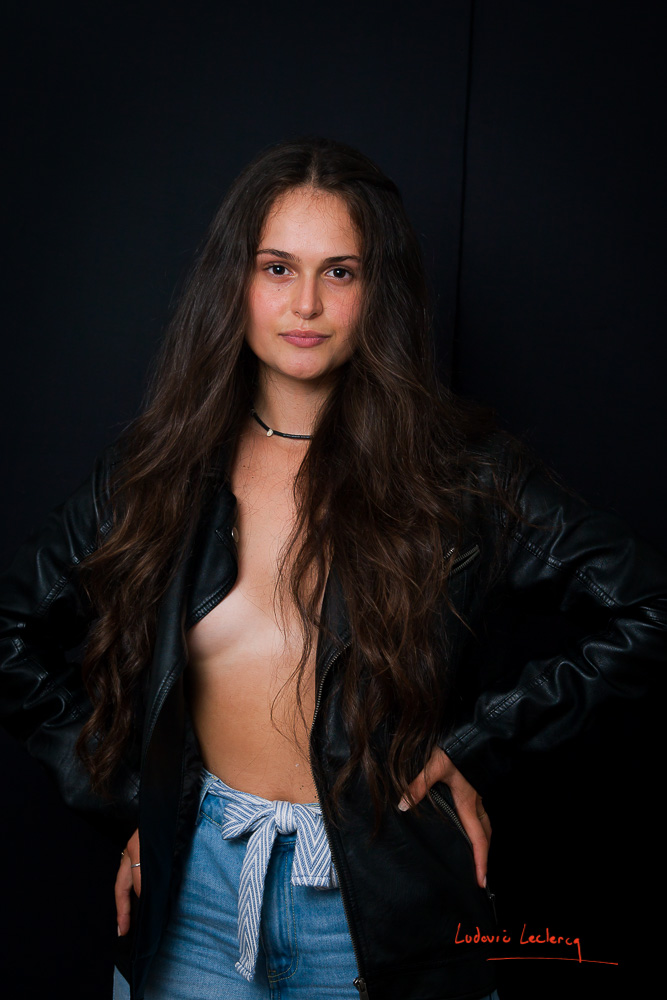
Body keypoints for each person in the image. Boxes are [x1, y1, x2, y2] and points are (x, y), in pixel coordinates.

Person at [0, 135, 665, 1000]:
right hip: (194, 906)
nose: (304, 303)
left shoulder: (460, 471)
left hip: (384, 913)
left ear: (375, 290)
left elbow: (646, 606)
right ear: (233, 282)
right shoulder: (152, 472)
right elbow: (12, 634)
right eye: (277, 268)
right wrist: (135, 805)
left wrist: (475, 746)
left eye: (339, 272)